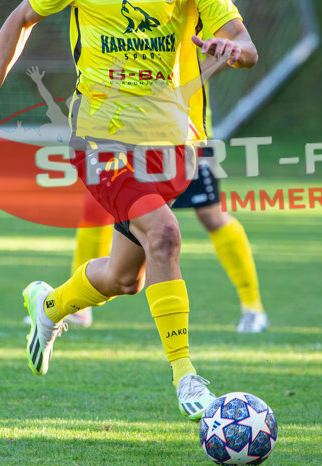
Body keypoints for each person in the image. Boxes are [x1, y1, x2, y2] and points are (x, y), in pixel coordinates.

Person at [0, 0, 259, 421]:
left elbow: (244, 45)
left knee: (125, 276)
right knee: (166, 236)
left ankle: (49, 306)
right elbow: (20, 19)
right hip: (101, 140)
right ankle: (187, 377)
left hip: (171, 144)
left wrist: (232, 49)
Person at [19, 66, 269, 334]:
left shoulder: (196, 23)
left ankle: (253, 307)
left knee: (211, 215)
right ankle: (79, 309)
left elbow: (221, 54)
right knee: (96, 207)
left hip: (185, 133)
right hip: (124, 131)